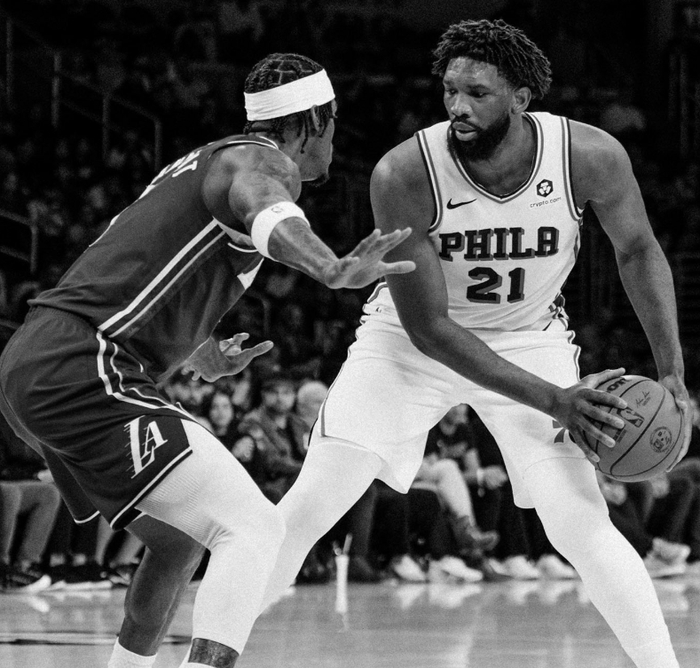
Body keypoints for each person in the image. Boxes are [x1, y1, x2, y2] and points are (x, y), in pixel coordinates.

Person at [257, 20, 692, 668]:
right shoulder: (404, 172)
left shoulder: (588, 155)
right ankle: (204, 659)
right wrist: (556, 401)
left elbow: (637, 250)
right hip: (408, 342)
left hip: (527, 335)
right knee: (312, 502)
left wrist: (672, 372)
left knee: (579, 520)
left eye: (477, 93)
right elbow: (431, 328)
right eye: (450, 90)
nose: (457, 105)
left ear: (521, 98)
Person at [0, 52, 414, 668]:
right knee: (255, 527)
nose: (335, 136)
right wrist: (329, 267)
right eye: (333, 121)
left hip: (41, 361)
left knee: (179, 542)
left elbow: (134, 272)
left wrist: (201, 350)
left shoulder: (203, 162)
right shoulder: (262, 162)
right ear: (312, 121)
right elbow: (265, 205)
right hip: (83, 362)